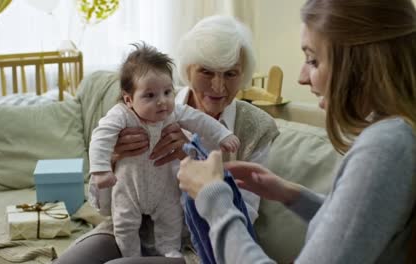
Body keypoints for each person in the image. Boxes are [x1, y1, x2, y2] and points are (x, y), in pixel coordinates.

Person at [177, 0, 416, 263]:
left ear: (360, 64)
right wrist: (290, 194)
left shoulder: (385, 147)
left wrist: (214, 199)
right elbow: (359, 229)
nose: (301, 77)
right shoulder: (396, 135)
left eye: (312, 60)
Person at [54, 15, 278, 264]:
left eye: (230, 74)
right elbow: (104, 205)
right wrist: (113, 160)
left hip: (201, 245)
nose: (218, 86)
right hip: (131, 228)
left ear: (243, 73)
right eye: (206, 71)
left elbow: (243, 216)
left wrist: (190, 160)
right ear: (188, 69)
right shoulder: (142, 105)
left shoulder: (256, 128)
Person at [87, 42, 239, 258]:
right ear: (128, 99)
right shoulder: (121, 115)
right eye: (149, 95)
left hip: (164, 186)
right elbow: (101, 137)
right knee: (124, 224)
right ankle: (131, 257)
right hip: (129, 187)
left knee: (171, 219)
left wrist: (223, 135)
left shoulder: (174, 112)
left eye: (167, 92)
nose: (162, 102)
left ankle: (169, 251)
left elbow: (200, 121)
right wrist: (102, 169)